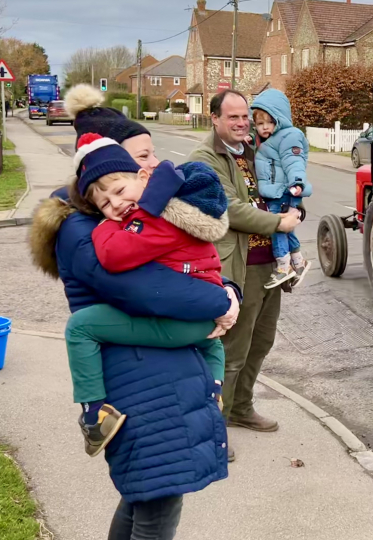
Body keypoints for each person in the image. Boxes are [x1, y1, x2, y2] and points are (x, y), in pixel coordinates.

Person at [29, 83, 238, 539]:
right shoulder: (95, 232)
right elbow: (159, 293)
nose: (152, 166)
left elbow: (189, 264)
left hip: (158, 378)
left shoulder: (122, 219)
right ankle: (92, 410)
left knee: (145, 497)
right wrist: (223, 300)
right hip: (146, 387)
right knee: (157, 506)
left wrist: (225, 289)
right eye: (140, 157)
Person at [62, 133, 232, 457]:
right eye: (105, 205)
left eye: (120, 192)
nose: (117, 205)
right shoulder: (170, 210)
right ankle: (215, 389)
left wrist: (103, 227)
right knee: (213, 341)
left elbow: (114, 255)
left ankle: (95, 415)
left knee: (80, 327)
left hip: (182, 321)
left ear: (143, 177)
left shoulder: (156, 220)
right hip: (201, 316)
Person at [189, 89, 302, 461]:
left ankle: (241, 408)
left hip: (270, 262)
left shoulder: (257, 150)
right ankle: (213, 428)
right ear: (215, 119)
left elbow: (284, 180)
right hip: (238, 268)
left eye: (245, 117)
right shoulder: (205, 158)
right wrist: (279, 221)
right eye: (233, 117)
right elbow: (230, 208)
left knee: (262, 341)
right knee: (231, 352)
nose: (242, 123)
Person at [250, 89, 312, 289]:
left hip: (285, 190)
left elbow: (294, 161)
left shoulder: (289, 136)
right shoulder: (270, 139)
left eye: (269, 122)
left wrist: (297, 183)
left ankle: (283, 267)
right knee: (286, 229)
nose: (264, 127)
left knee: (277, 226)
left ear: (280, 119)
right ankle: (298, 261)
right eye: (260, 124)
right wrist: (252, 141)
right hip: (276, 191)